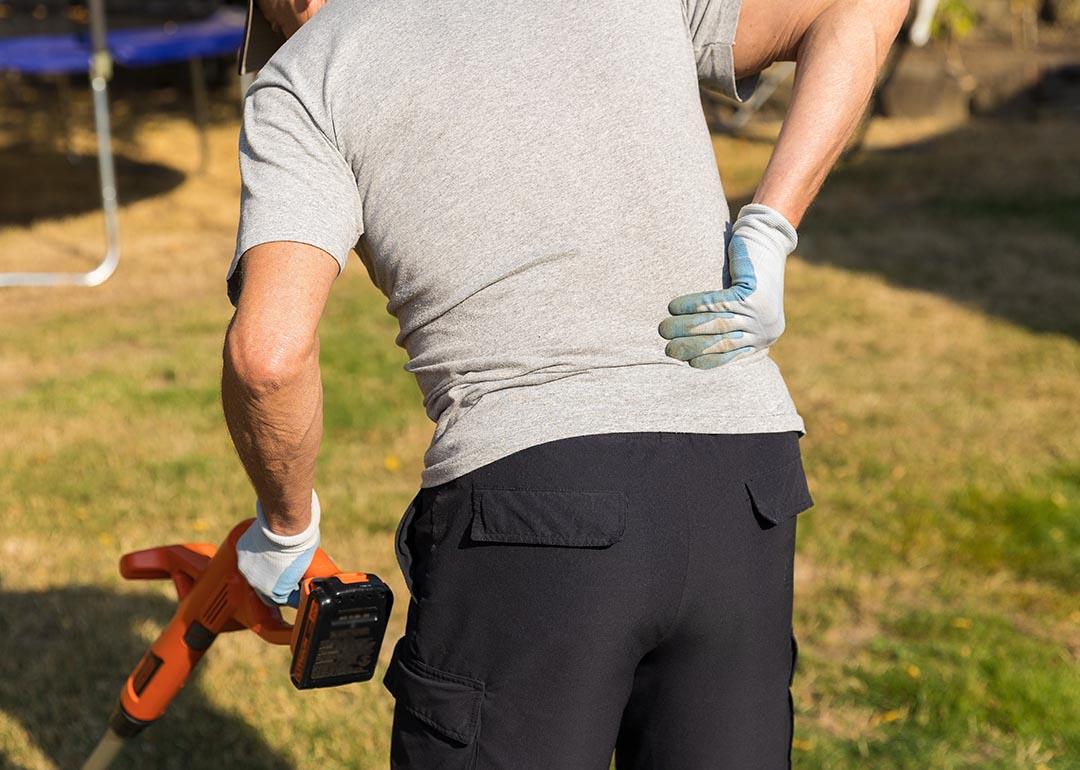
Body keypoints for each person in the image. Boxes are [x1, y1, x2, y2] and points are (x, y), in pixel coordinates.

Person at [221, 0, 908, 767]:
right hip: (741, 487)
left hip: (531, 511)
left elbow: (269, 357)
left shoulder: (310, 72)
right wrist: (770, 228)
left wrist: (285, 534)